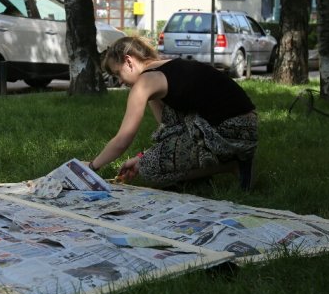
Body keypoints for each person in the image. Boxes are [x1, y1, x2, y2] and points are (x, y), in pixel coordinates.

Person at [87, 36, 258, 189]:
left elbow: (123, 139)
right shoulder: (164, 70)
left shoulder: (144, 83)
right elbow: (170, 131)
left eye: (118, 74)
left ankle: (233, 165)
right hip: (245, 126)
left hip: (230, 129)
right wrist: (142, 156)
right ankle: (203, 175)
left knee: (149, 168)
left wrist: (91, 167)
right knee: (162, 135)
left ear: (129, 61)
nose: (120, 82)